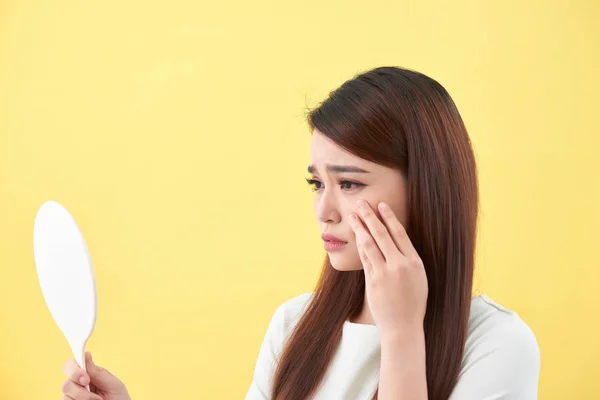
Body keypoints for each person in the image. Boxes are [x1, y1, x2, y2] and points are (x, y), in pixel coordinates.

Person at [60, 66, 541, 400]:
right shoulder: (295, 325)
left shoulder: (498, 344)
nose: (324, 210)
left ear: (428, 189)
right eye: (317, 183)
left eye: (349, 183)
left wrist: (400, 336)